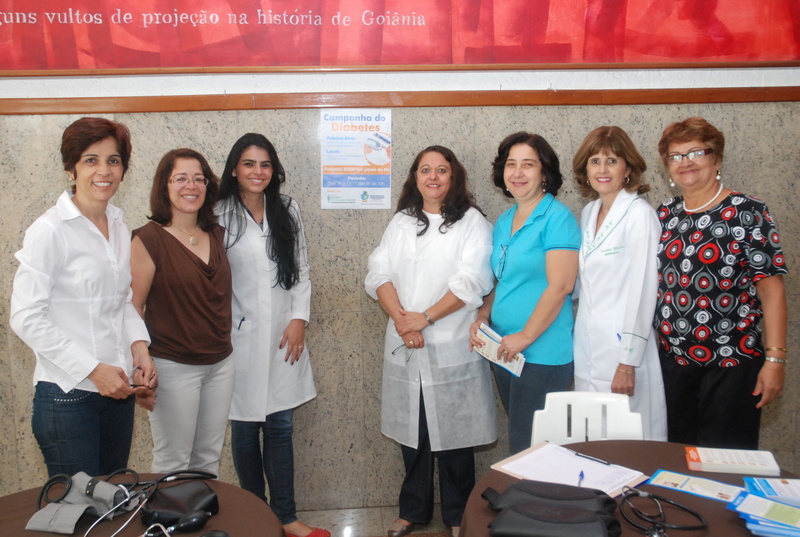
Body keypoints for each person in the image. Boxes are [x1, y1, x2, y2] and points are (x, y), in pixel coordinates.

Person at [10, 117, 156, 477]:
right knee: (77, 507)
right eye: (91, 160)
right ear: (71, 168)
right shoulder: (50, 230)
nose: (104, 170)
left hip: (117, 390)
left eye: (113, 160)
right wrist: (92, 370)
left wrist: (139, 347)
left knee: (112, 499)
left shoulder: (118, 226)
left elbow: (121, 300)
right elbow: (25, 317)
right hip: (68, 395)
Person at [365, 146, 496, 537]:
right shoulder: (402, 221)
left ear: (454, 177)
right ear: (415, 177)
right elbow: (379, 272)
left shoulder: (472, 222)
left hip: (451, 343)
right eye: (425, 170)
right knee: (413, 435)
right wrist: (404, 322)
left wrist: (424, 319)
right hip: (406, 341)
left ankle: (458, 516)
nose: (433, 177)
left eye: (442, 170)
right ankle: (413, 510)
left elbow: (473, 281)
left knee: (456, 439)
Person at [216, 133, 328, 537]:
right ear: (234, 169)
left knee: (280, 427)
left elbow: (301, 269)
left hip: (284, 335)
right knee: (245, 429)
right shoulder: (217, 213)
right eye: (249, 163)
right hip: (238, 338)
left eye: (265, 164)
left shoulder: (287, 209)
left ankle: (286, 517)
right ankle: (255, 517)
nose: (257, 171)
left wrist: (298, 319)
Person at [654, 117, 788, 449]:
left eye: (696, 152)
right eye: (676, 156)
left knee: (724, 465)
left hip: (731, 364)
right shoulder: (665, 215)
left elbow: (772, 292)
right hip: (672, 364)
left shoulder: (747, 211)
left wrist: (775, 360)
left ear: (717, 159)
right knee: (676, 459)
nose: (686, 162)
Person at [469, 131, 580, 454]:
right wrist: (483, 316)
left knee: (531, 447)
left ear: (544, 172)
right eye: (511, 164)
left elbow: (562, 285)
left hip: (541, 351)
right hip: (504, 348)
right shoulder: (505, 220)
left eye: (528, 164)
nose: (517, 173)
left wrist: (526, 336)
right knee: (521, 442)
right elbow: (501, 279)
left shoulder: (557, 218)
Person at [130, 148, 234, 474]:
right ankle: (167, 511)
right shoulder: (148, 239)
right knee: (173, 463)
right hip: (173, 366)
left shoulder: (217, 234)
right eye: (181, 179)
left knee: (208, 460)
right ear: (165, 186)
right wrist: (138, 363)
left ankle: (201, 509)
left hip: (220, 364)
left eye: (199, 179)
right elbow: (132, 307)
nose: (191, 186)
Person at [571, 126, 667, 441]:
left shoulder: (639, 214)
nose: (602, 169)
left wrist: (627, 362)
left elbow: (644, 290)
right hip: (589, 342)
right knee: (592, 440)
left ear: (628, 168)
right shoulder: (589, 212)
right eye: (595, 161)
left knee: (629, 443)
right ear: (585, 170)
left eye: (611, 161)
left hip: (624, 351)